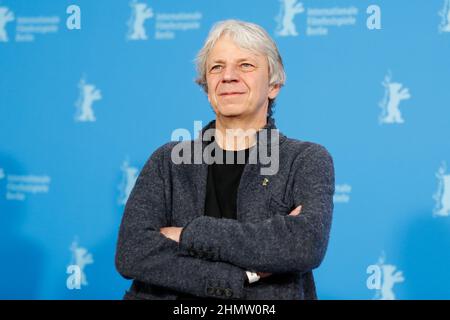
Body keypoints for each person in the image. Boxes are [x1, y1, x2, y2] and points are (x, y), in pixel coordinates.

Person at [115, 19, 335, 300]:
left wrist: (186, 235)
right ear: (207, 87)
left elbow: (304, 245)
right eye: (217, 67)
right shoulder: (168, 161)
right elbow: (132, 252)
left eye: (246, 65)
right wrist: (240, 276)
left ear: (274, 85)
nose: (228, 76)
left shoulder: (305, 159)